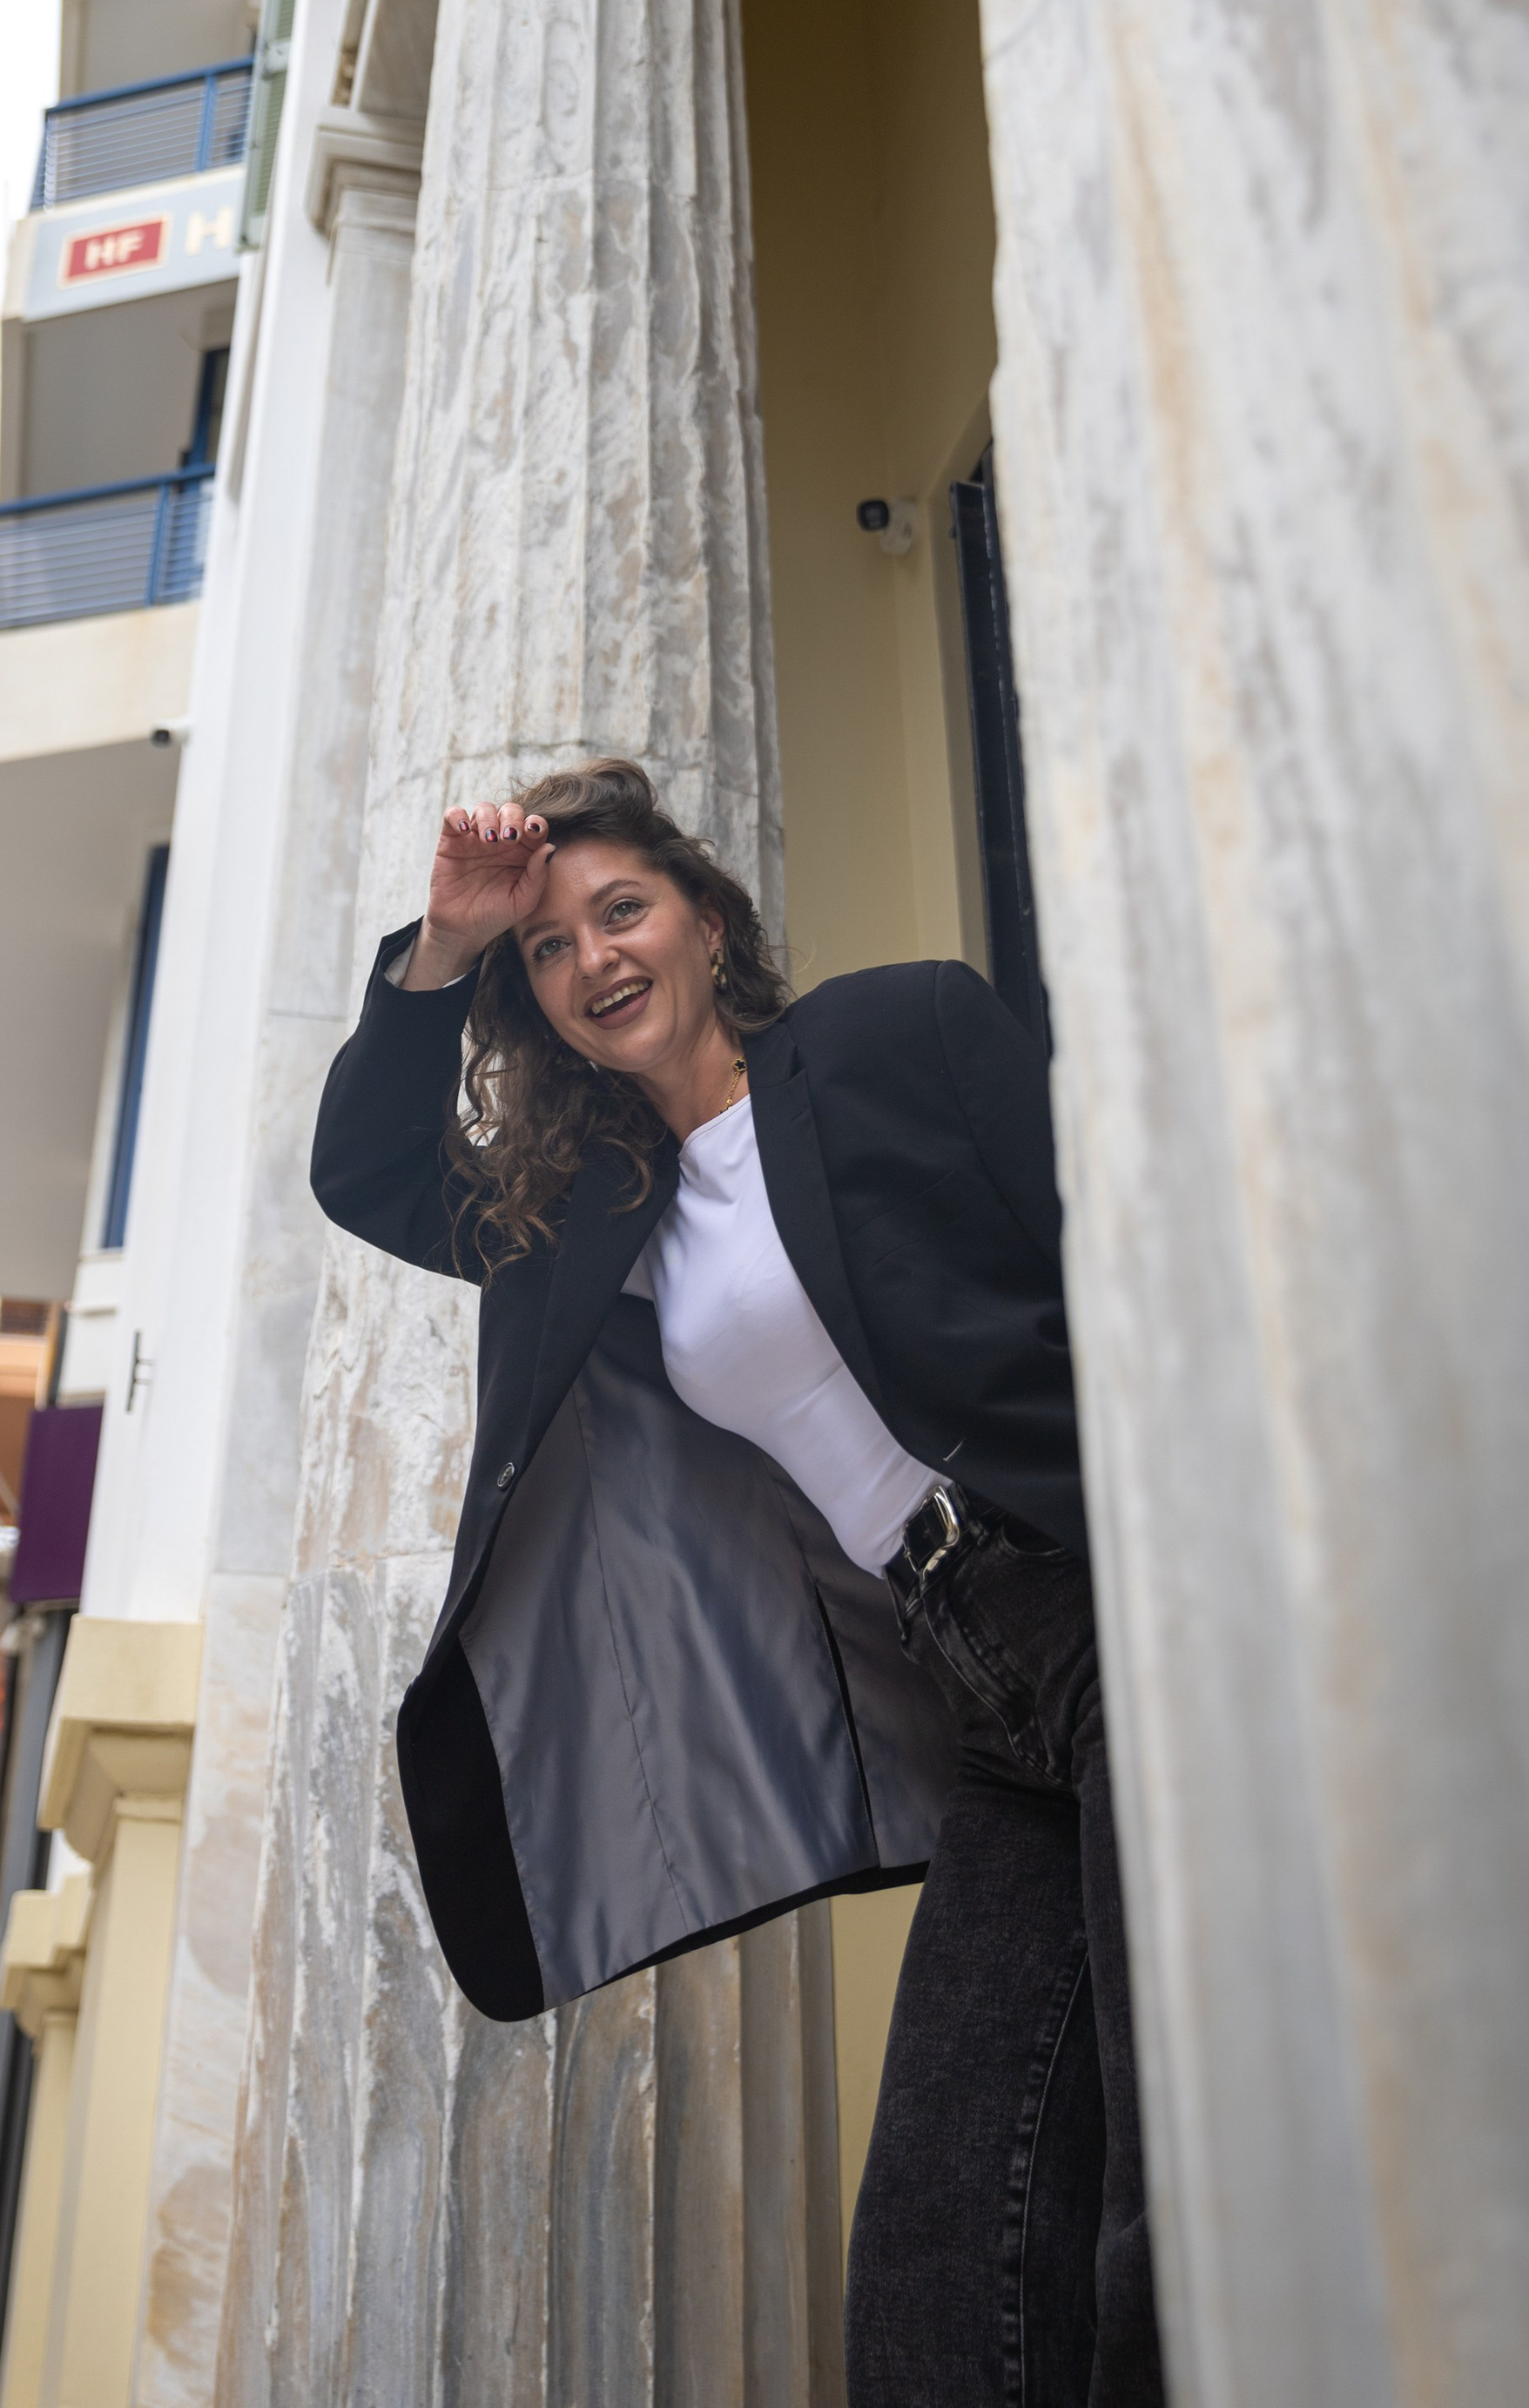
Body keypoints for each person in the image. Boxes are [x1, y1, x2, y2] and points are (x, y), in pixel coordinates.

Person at [310, 759, 1165, 2405]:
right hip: (983, 1703)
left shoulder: (898, 1035)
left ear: (706, 916)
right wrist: (444, 945)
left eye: (619, 911)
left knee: (1162, 2184)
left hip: (1108, 1617)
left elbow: (1113, 1251)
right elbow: (368, 1175)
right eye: (550, 953)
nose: (594, 961)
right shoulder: (593, 1217)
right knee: (939, 2242)